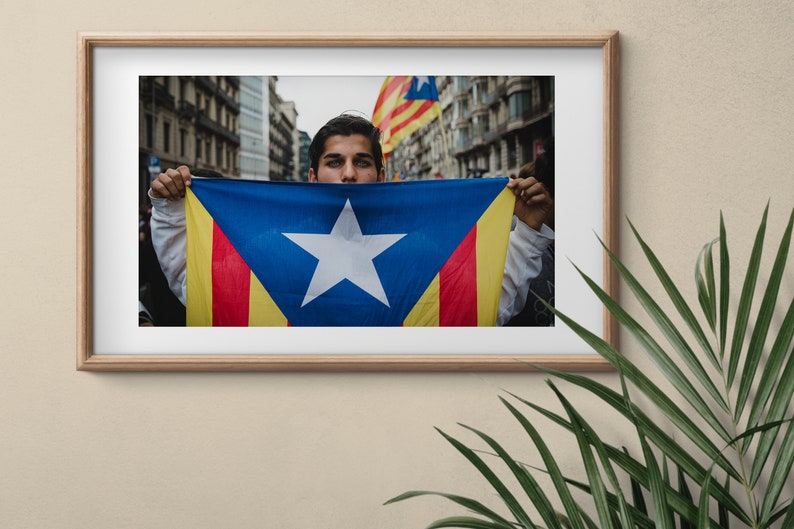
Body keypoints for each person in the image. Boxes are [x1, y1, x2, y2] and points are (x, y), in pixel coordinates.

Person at [148, 113, 554, 326]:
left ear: (380, 174)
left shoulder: (423, 250)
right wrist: (169, 210)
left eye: (361, 162)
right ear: (312, 176)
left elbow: (487, 307)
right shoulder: (268, 245)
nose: (347, 174)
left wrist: (530, 231)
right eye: (334, 162)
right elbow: (200, 288)